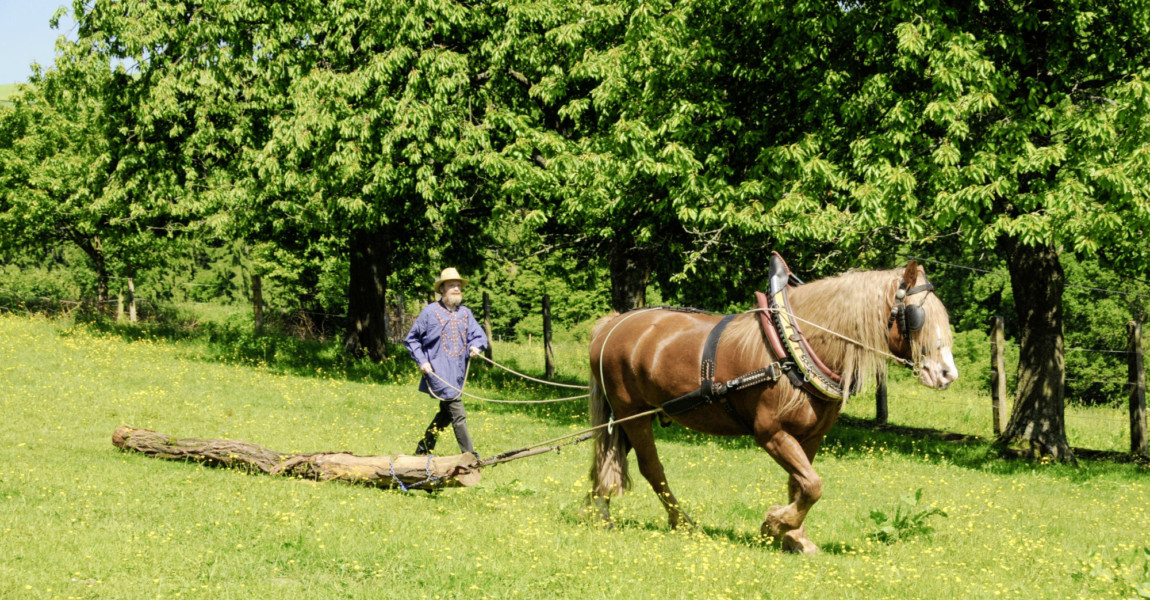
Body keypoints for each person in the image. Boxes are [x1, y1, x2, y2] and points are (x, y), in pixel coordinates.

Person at [404, 267, 488, 456]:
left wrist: (475, 346)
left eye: (458, 285)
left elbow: (478, 336)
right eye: (452, 285)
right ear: (442, 289)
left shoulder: (465, 313)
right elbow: (412, 339)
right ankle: (470, 456)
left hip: (457, 374)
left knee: (445, 415)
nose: (456, 289)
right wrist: (422, 361)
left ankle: (423, 449)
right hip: (438, 372)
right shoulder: (429, 312)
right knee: (458, 414)